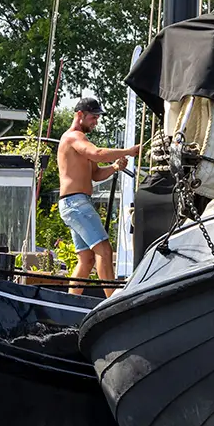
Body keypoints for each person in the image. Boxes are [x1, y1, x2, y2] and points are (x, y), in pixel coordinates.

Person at [57, 97, 140, 295]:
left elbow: (95, 174)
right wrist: (129, 151)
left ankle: (70, 305)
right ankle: (113, 304)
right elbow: (97, 153)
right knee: (104, 250)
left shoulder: (79, 141)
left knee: (87, 259)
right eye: (94, 117)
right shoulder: (74, 137)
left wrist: (114, 167)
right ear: (80, 115)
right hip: (76, 203)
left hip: (74, 204)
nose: (96, 121)